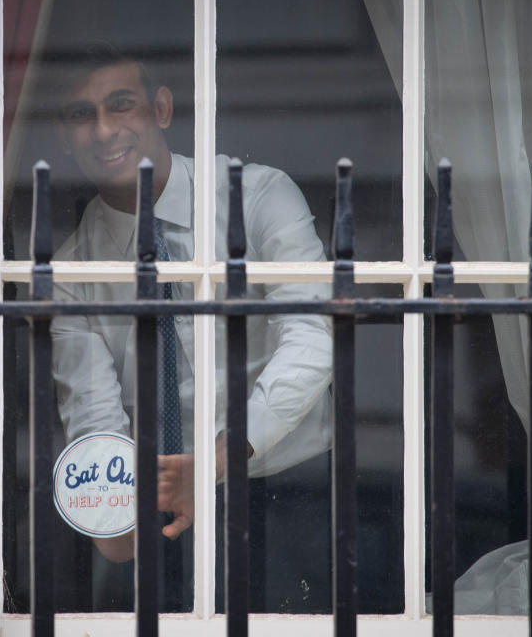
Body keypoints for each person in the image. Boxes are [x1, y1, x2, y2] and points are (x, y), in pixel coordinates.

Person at [49, 46, 334, 571]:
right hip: (161, 500)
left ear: (161, 109)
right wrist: (112, 505)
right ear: (65, 138)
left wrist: (218, 460)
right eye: (82, 116)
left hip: (296, 482)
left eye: (121, 105)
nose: (105, 129)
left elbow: (313, 332)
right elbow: (93, 409)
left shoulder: (258, 197)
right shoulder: (71, 271)